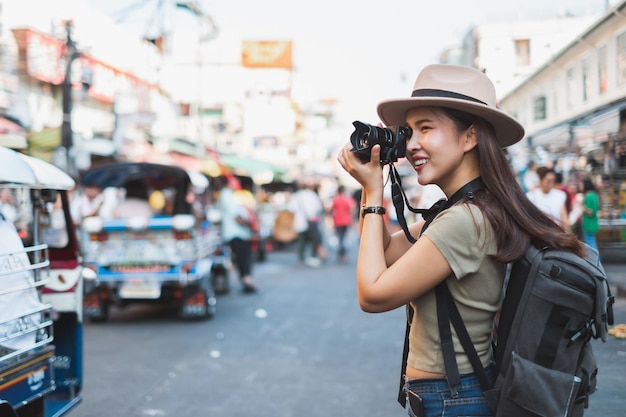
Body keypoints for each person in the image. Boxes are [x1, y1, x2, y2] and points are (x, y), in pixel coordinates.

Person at [337, 64, 584, 416]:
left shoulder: (465, 220)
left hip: (451, 399)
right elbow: (388, 252)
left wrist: (375, 194)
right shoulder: (471, 208)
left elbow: (372, 295)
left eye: (427, 128)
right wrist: (369, 188)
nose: (412, 145)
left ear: (469, 137)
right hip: (454, 395)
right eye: (409, 132)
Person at [217, 177, 258, 293]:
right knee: (243, 257)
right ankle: (246, 280)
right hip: (235, 234)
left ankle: (246, 280)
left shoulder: (231, 195)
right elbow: (236, 217)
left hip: (238, 233)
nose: (237, 183)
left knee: (243, 257)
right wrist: (249, 223)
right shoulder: (226, 195)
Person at [289, 182, 327, 267]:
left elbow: (292, 209)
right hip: (311, 221)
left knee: (301, 241)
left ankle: (301, 257)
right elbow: (318, 208)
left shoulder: (297, 196)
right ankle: (313, 256)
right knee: (314, 239)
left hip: (300, 222)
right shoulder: (312, 195)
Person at [526, 166, 570, 231]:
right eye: (548, 181)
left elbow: (564, 217)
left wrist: (567, 232)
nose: (551, 184)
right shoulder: (532, 196)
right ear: (541, 180)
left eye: (552, 181)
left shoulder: (559, 195)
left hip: (556, 234)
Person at [329, 185, 356, 262]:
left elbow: (331, 210)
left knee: (340, 237)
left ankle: (340, 255)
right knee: (343, 237)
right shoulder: (347, 199)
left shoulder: (335, 199)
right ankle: (342, 255)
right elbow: (352, 208)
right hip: (346, 220)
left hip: (337, 221)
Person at [581, 177, 600, 251]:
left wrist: (582, 205)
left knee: (591, 245)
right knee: (592, 242)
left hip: (588, 224)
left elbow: (590, 212)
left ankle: (595, 261)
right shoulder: (594, 195)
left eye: (582, 184)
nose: (580, 186)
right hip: (593, 223)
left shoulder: (588, 196)